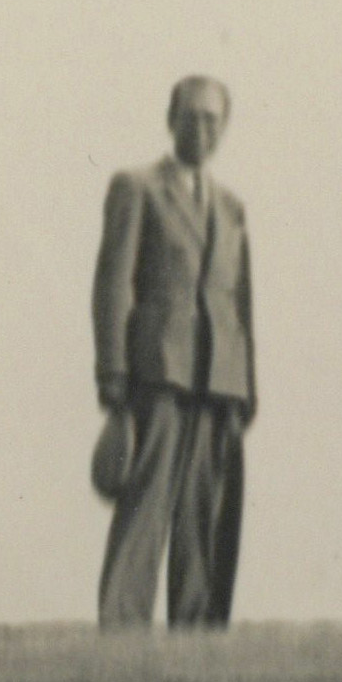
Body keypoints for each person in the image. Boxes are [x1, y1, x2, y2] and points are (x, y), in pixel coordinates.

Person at [86, 75, 255, 626]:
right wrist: (113, 378)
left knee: (203, 515)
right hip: (157, 372)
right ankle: (122, 631)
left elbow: (240, 302)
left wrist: (246, 390)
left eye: (212, 119)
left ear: (224, 128)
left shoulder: (232, 207)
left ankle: (196, 638)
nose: (201, 129)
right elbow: (113, 285)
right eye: (191, 116)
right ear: (170, 119)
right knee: (146, 501)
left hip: (219, 379)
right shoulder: (137, 187)